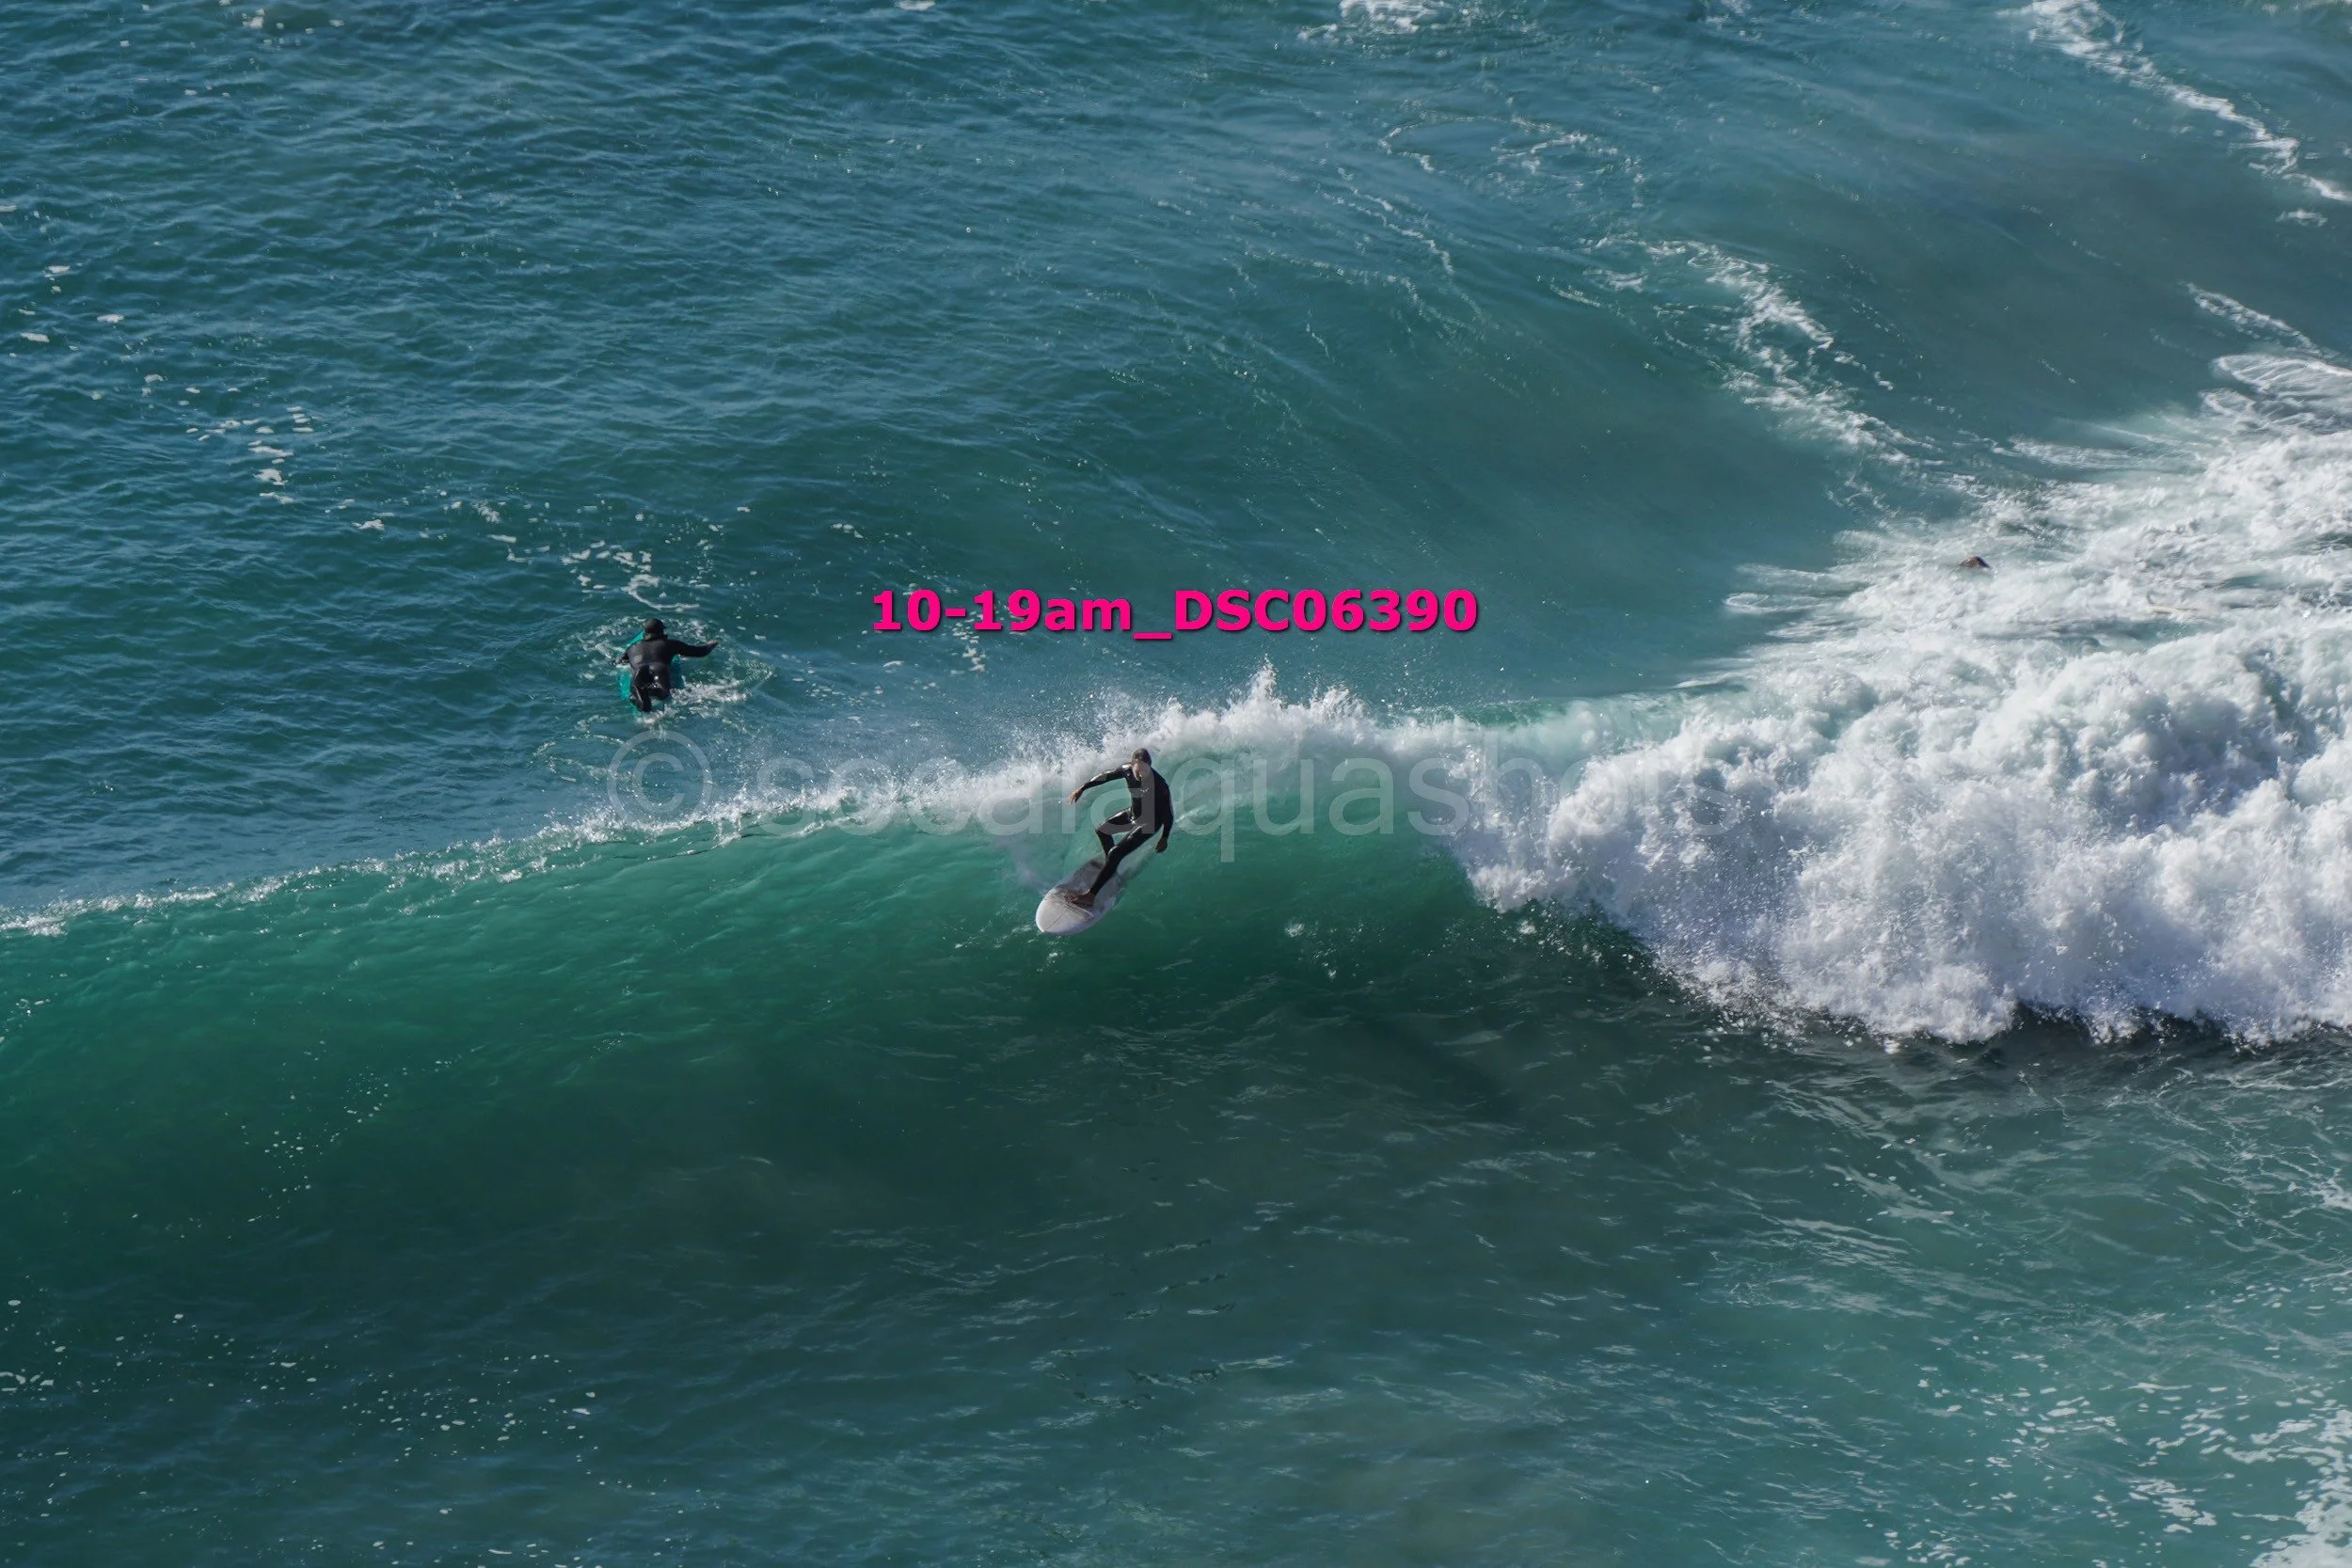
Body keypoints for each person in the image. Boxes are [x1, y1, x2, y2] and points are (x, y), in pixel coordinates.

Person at [1065, 748, 1172, 906]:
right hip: (1133, 815)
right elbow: (1105, 776)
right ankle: (1111, 867)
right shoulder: (1126, 770)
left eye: (1147, 768)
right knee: (1102, 830)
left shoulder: (1160, 785)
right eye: (1140, 768)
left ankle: (1090, 896)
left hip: (1150, 823)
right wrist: (1084, 787)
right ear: (1133, 764)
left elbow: (1168, 814)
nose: (1143, 772)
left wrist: (1164, 837)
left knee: (1116, 852)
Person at [618, 619, 716, 713]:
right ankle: (650, 690)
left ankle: (640, 693)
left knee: (643, 704)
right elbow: (700, 652)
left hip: (639, 671)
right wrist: (710, 645)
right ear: (661, 631)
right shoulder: (670, 644)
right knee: (663, 694)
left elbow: (620, 661)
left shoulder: (632, 647)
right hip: (659, 669)